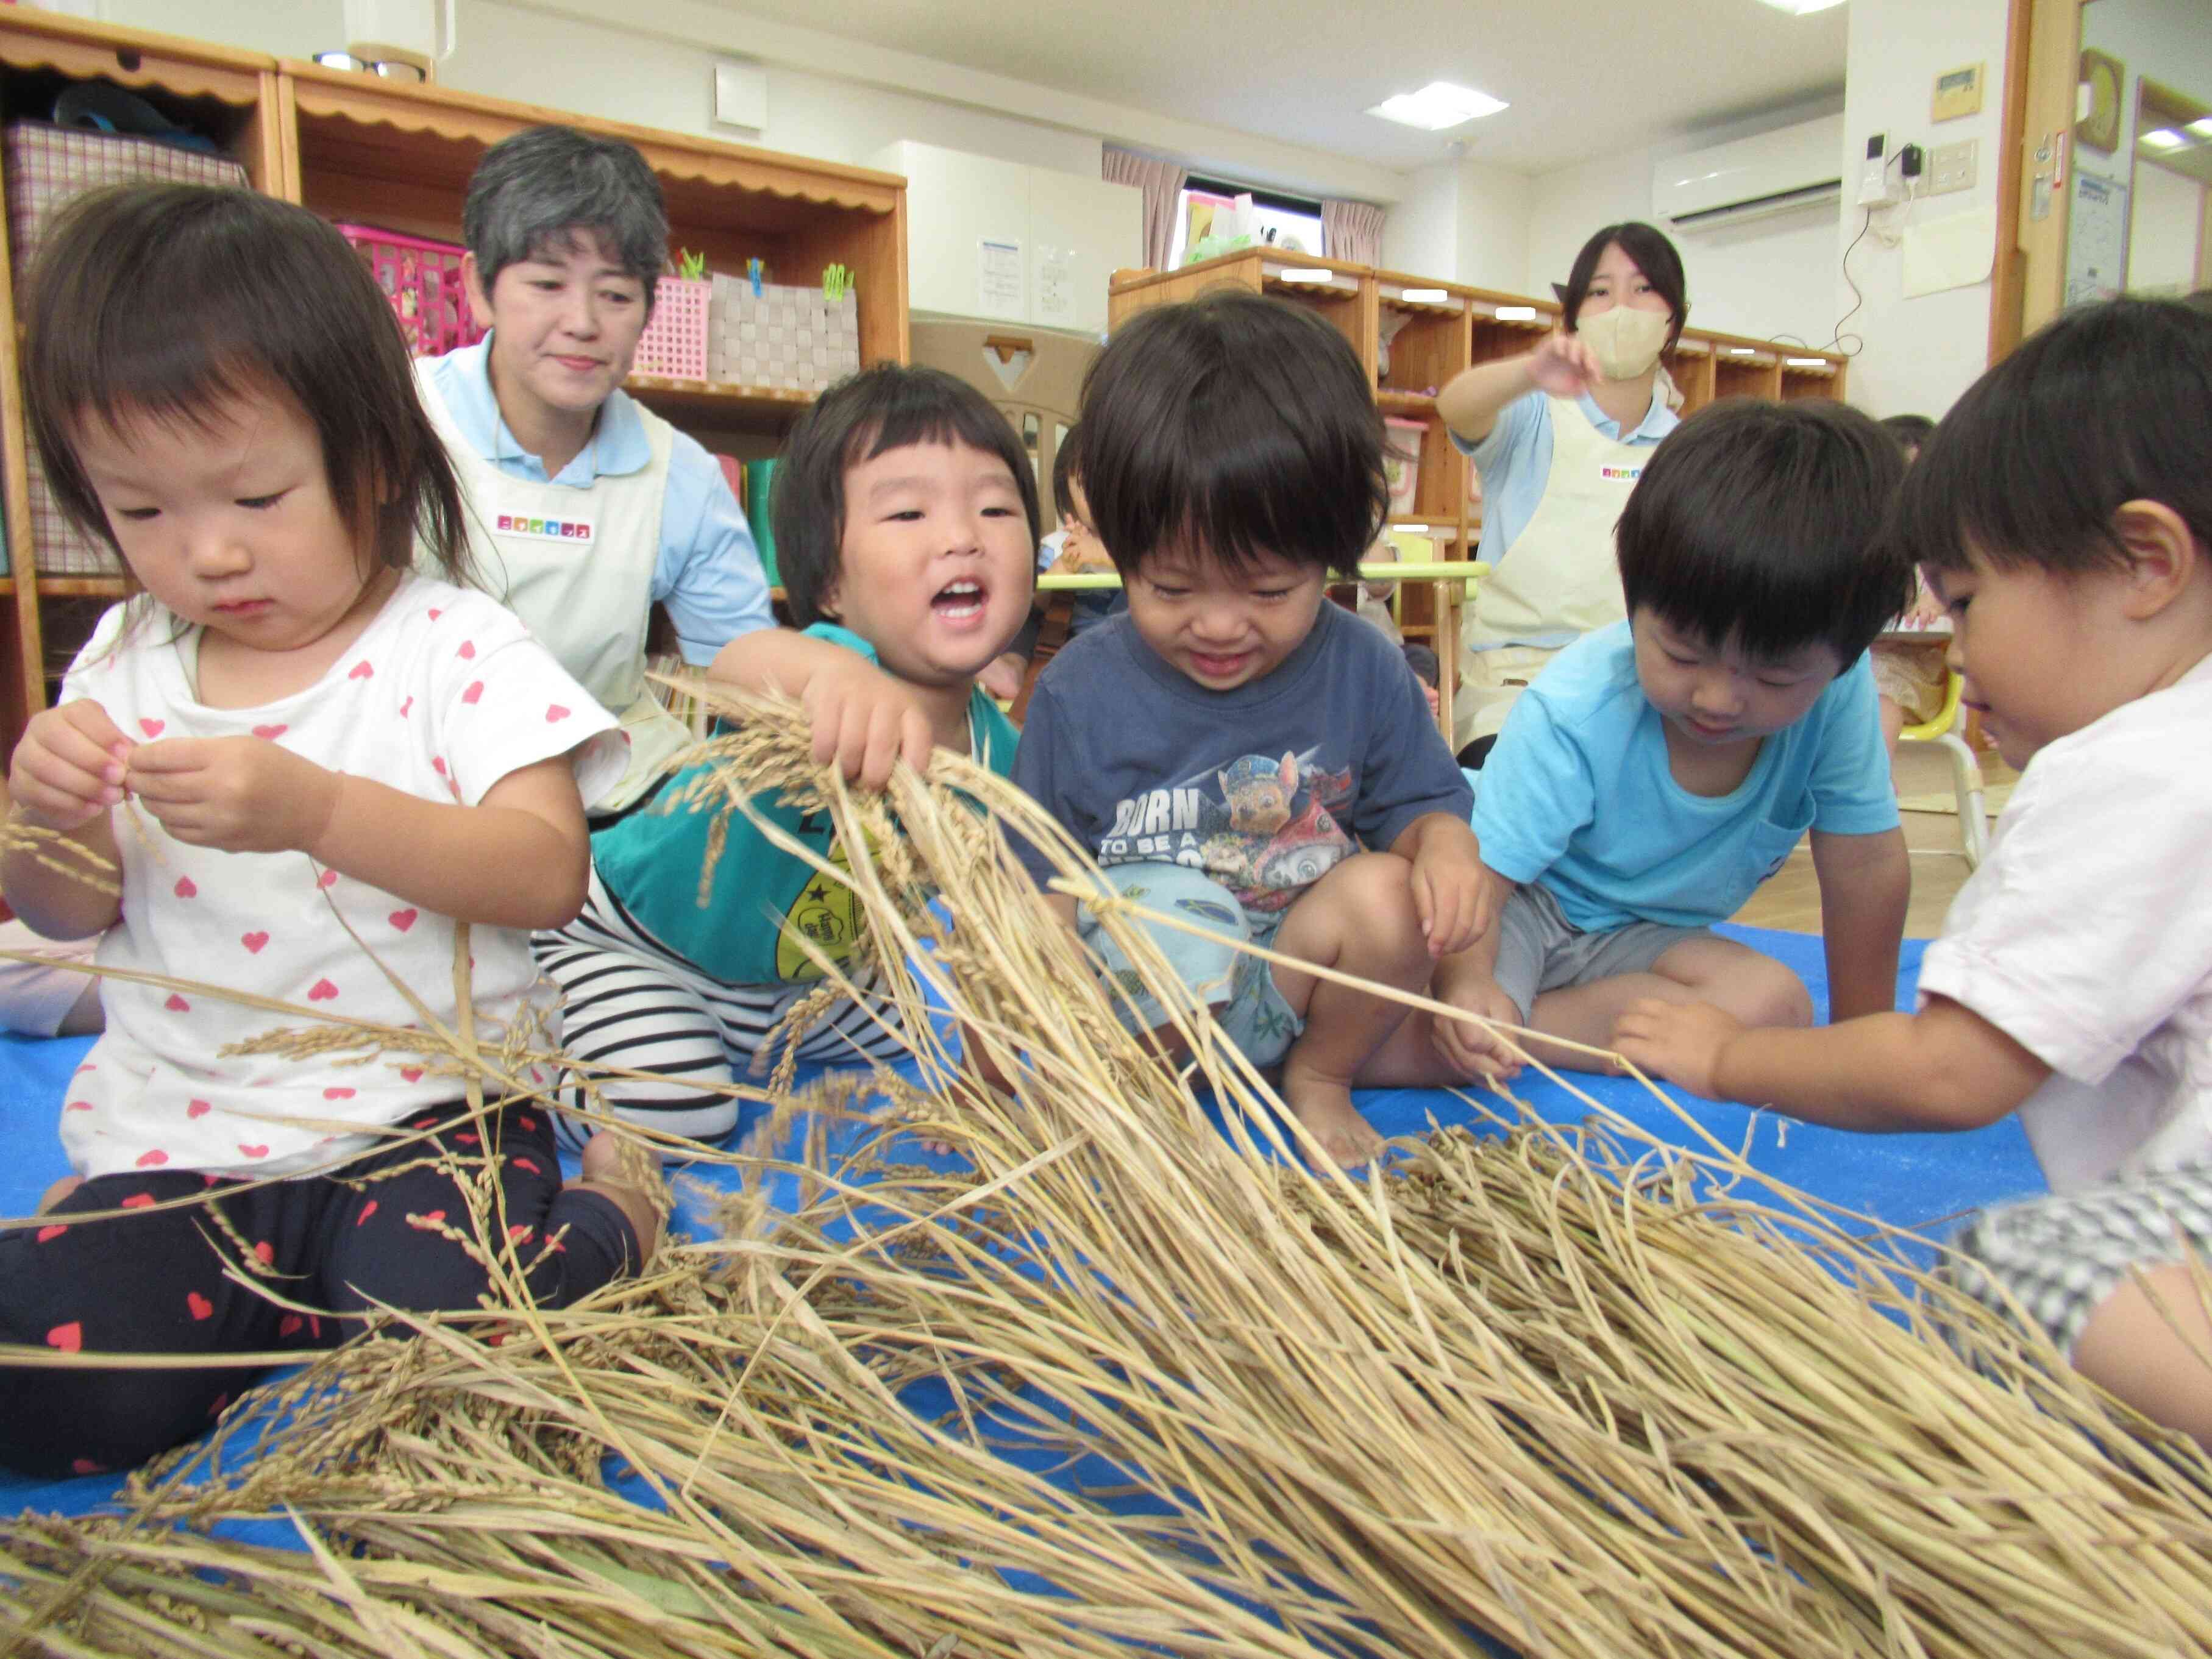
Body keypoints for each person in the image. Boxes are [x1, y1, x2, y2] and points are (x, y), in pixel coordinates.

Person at [0, 185, 658, 1478]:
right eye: (140, 511)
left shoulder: (450, 645)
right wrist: (42, 817)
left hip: (429, 1120)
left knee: (471, 1356)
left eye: (253, 496)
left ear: (370, 458)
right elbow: (73, 914)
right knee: (48, 1384)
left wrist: (314, 810)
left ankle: (615, 1208)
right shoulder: (127, 657)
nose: (204, 552)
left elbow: (542, 869)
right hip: (186, 1138)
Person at [1615, 299, 2212, 1449]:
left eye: (1968, 601)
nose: (1954, 646)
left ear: (2144, 564)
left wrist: (1729, 1057)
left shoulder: (2138, 765)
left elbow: (1949, 1071)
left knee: (2005, 1272)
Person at [1010, 290, 1488, 1170]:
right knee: (1138, 911)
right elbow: (1038, 883)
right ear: (1119, 545)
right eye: (1173, 588)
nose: (1221, 625)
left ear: (1334, 554)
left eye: (1268, 591)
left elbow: (1421, 807)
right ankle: (1144, 1104)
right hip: (1145, 1013)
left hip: (1296, 987)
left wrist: (1448, 846)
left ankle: (1318, 1076)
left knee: (1387, 894)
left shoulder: (1363, 664)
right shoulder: (1078, 689)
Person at [536, 365, 1036, 1147]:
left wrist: (983, 1073)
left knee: (923, 1049)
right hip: (639, 943)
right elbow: (739, 664)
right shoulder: (822, 666)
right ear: (831, 583)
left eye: (996, 507)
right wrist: (831, 678)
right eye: (908, 511)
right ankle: (526, 1042)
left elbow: (990, 933)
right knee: (678, 1110)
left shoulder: (999, 755)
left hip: (803, 990)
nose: (962, 535)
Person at [1448, 399, 1913, 1079]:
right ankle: (1482, 1026)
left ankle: (1518, 1028)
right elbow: (1478, 880)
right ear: (1635, 602)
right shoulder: (1576, 705)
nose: (1717, 699)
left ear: (1841, 657)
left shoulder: (1838, 695)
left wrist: (1864, 1043)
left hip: (1634, 936)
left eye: (1774, 675)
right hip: (1513, 901)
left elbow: (1865, 864)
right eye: (1683, 654)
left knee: (1774, 1007)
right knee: (1456, 1021)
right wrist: (1467, 988)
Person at [419, 124, 776, 811]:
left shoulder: (682, 477)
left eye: (614, 294)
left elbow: (739, 663)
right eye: (547, 283)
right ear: (478, 287)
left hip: (600, 804)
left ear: (649, 309)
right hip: (408, 797)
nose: (582, 322)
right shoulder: (392, 422)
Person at [1435, 222, 1688, 761]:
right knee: (1519, 790)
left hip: (1639, 682)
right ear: (1573, 318)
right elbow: (1455, 406)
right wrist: (1530, 372)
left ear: (1673, 320)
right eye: (1600, 291)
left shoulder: (1685, 447)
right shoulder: (1531, 416)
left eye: (1642, 288)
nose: (1621, 307)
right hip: (1517, 685)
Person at [980, 422, 1119, 702]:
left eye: (1116, 480)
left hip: (1128, 648)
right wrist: (1063, 568)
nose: (1103, 493)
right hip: (1066, 648)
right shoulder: (1060, 543)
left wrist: (1102, 553)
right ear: (1068, 493)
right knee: (1023, 612)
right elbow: (1038, 601)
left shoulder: (1146, 544)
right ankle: (1014, 667)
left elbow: (1158, 574)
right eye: (1089, 484)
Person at [1869, 413, 1951, 761]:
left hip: (1913, 667)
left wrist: (1939, 601)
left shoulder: (1942, 545)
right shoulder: (1869, 541)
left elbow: (1960, 594)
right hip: (1861, 657)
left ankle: (1873, 783)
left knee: (1876, 697)